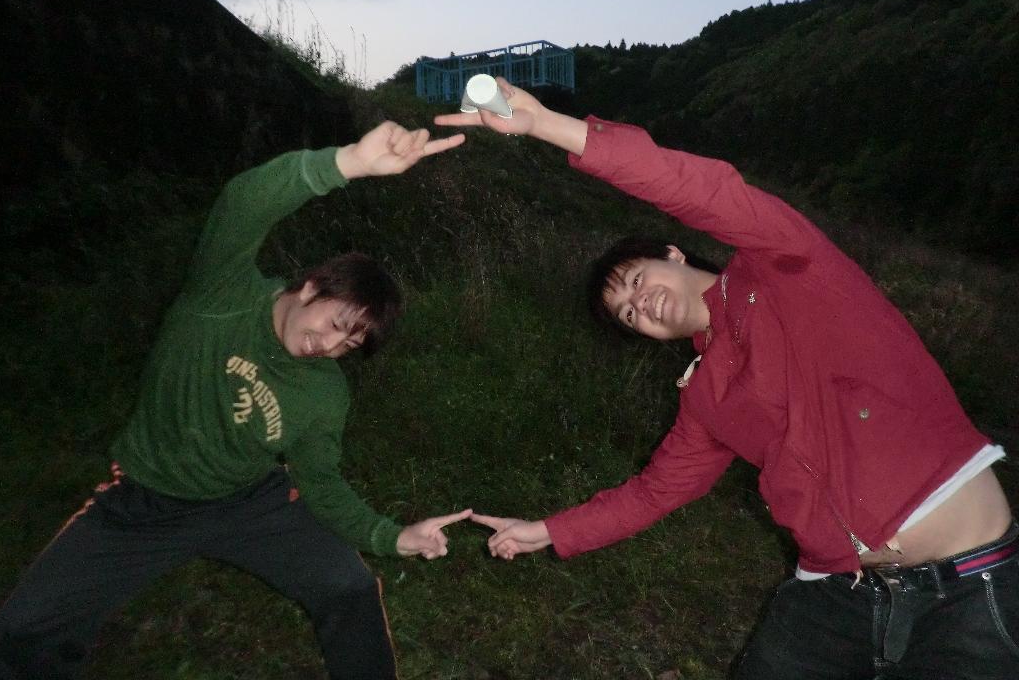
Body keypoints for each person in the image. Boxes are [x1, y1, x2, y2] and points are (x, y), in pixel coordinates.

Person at [435, 79, 1019, 679]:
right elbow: (656, 491)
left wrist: (547, 125)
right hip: (838, 592)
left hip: (971, 587)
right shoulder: (705, 394)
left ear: (673, 254)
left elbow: (701, 188)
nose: (641, 305)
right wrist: (548, 530)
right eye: (628, 316)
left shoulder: (784, 263)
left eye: (636, 281)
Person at [0, 122, 471, 680]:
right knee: (22, 631)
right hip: (145, 501)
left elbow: (320, 483)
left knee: (349, 588)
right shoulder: (223, 295)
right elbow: (243, 203)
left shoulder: (324, 393)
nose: (330, 345)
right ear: (311, 288)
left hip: (250, 503)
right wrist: (347, 163)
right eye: (336, 324)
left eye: (350, 344)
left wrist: (392, 536)